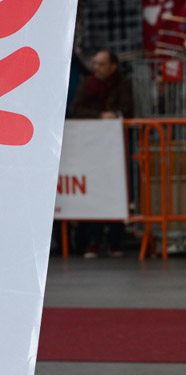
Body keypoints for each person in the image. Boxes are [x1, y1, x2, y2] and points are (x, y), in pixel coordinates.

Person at [69, 49, 133, 258]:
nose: (96, 67)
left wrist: (114, 115)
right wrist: (99, 116)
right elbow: (75, 109)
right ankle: (93, 240)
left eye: (101, 64)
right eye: (95, 63)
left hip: (117, 149)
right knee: (95, 193)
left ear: (113, 66)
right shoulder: (87, 83)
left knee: (117, 190)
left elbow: (128, 108)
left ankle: (116, 240)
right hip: (92, 150)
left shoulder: (123, 83)